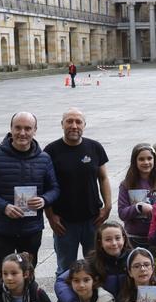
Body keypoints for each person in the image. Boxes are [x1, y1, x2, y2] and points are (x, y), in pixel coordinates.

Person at [0, 112, 60, 283]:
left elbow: (54, 188)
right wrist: (3, 206)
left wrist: (44, 200)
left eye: (28, 128)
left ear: (35, 130)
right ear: (11, 129)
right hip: (2, 229)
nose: (22, 133)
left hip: (31, 229)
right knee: (1, 275)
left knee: (28, 274)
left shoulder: (44, 158)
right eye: (18, 128)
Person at [44, 108, 111, 276]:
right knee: (65, 267)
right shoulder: (51, 151)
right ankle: (66, 300)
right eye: (69, 121)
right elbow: (45, 185)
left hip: (92, 219)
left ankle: (95, 298)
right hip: (64, 222)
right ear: (62, 124)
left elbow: (103, 178)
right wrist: (50, 215)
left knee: (96, 264)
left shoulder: (94, 147)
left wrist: (108, 206)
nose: (74, 126)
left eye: (78, 122)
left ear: (84, 125)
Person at [55, 221, 134, 302]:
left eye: (117, 238)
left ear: (124, 238)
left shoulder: (134, 259)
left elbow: (151, 276)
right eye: (108, 239)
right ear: (100, 242)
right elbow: (61, 282)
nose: (114, 243)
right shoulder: (92, 262)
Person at [116, 143, 156, 252]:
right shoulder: (126, 185)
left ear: (154, 160)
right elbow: (122, 213)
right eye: (141, 159)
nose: (146, 162)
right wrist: (138, 207)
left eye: (149, 158)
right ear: (135, 161)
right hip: (134, 238)